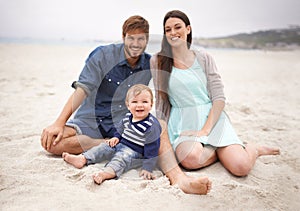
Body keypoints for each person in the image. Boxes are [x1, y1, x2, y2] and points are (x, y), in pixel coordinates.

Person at [40, 15, 211, 194]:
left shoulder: (149, 63)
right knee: (52, 143)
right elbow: (82, 89)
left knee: (159, 127)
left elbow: (170, 86)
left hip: (124, 122)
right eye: (131, 38)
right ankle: (113, 144)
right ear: (123, 37)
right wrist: (59, 122)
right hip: (91, 119)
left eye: (141, 39)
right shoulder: (102, 55)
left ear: (146, 40)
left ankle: (180, 179)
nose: (135, 43)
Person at [151, 10, 280, 177]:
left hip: (211, 118)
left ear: (188, 29)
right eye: (168, 29)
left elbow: (219, 98)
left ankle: (252, 148)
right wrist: (161, 134)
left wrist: (205, 131)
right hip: (183, 122)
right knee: (189, 159)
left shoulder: (203, 57)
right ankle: (218, 151)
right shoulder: (158, 61)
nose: (173, 33)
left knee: (241, 167)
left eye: (177, 27)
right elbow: (161, 102)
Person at [62, 84, 161, 184]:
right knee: (103, 147)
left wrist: (147, 167)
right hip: (120, 144)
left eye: (144, 102)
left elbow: (152, 148)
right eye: (134, 102)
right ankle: (83, 158)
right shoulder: (127, 117)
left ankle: (105, 174)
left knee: (121, 158)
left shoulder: (151, 125)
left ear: (151, 104)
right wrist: (116, 137)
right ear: (128, 105)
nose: (139, 105)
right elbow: (120, 130)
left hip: (135, 152)